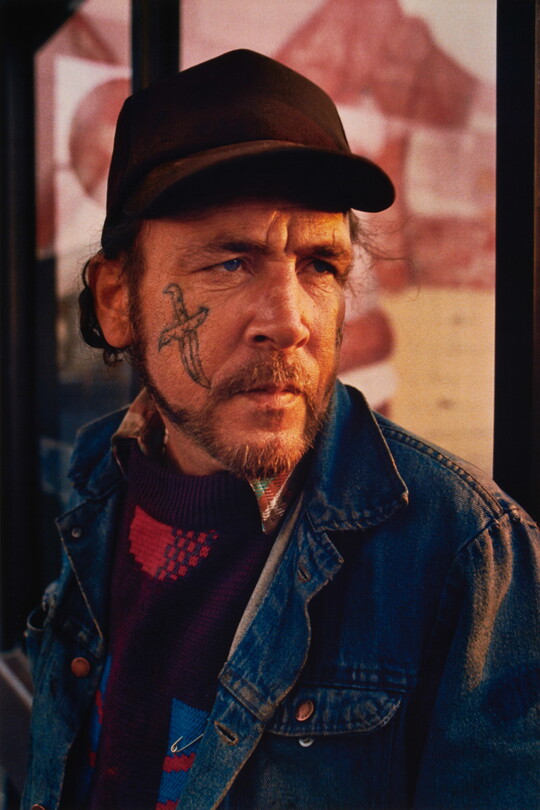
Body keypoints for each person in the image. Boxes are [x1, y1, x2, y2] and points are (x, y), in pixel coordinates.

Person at [23, 49, 539, 810]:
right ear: (117, 300)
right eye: (231, 263)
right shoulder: (100, 481)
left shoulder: (463, 552)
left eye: (321, 265)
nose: (290, 321)